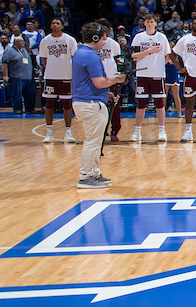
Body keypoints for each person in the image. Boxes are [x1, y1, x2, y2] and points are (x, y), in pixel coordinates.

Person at [71, 21, 125, 188]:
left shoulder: (80, 53)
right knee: (93, 142)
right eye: (103, 38)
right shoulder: (91, 56)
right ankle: (85, 177)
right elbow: (100, 82)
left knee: (95, 141)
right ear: (95, 38)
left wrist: (106, 94)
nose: (105, 41)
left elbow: (88, 82)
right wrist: (117, 79)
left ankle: (94, 173)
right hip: (90, 104)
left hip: (85, 101)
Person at [130, 12, 170, 142]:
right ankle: (137, 131)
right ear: (144, 23)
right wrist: (148, 52)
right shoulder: (138, 37)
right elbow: (133, 56)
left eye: (152, 21)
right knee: (141, 104)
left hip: (157, 74)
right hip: (142, 74)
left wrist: (158, 64)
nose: (149, 24)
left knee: (159, 103)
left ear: (156, 23)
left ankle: (162, 130)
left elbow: (168, 55)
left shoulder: (162, 37)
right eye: (147, 21)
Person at [38, 18, 77, 144]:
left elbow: (75, 58)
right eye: (53, 23)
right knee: (49, 104)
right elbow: (44, 60)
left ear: (62, 26)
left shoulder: (69, 40)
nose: (55, 24)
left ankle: (68, 132)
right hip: (50, 76)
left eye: (58, 23)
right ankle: (49, 132)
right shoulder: (45, 41)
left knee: (67, 105)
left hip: (66, 76)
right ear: (50, 25)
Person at [1, 36, 35, 114]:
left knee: (30, 94)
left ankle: (30, 108)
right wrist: (5, 75)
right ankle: (17, 108)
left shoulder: (25, 50)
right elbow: (4, 64)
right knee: (17, 94)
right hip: (16, 77)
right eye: (20, 41)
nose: (22, 43)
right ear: (15, 43)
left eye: (22, 41)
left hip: (28, 77)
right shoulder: (9, 51)